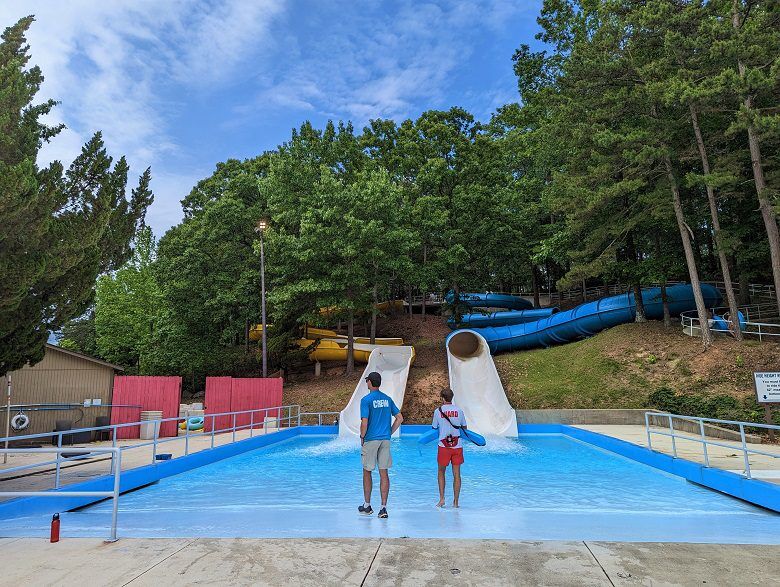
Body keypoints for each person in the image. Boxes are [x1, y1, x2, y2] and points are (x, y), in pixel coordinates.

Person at [358, 371, 403, 519]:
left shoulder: (366, 400)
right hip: (385, 440)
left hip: (371, 439)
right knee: (384, 473)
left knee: (367, 471)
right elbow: (399, 418)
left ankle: (367, 505)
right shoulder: (387, 399)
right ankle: (383, 508)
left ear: (370, 382)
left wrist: (362, 436)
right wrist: (389, 432)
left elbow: (364, 422)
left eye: (367, 381)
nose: (367, 383)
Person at [432, 388, 466, 508]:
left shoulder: (438, 411)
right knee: (457, 474)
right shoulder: (459, 410)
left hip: (443, 446)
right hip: (457, 446)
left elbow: (434, 428)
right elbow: (464, 428)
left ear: (442, 398)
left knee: (441, 472)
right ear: (452, 398)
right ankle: (456, 503)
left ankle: (442, 500)